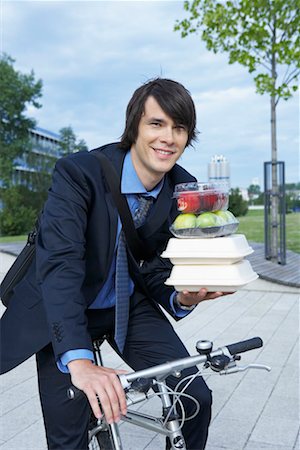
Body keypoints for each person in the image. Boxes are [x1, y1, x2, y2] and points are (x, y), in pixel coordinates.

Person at [1, 78, 229, 450]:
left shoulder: (183, 189)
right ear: (134, 127)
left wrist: (183, 298)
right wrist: (80, 363)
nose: (168, 137)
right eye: (157, 124)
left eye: (179, 127)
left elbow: (156, 266)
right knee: (68, 435)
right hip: (63, 305)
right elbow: (59, 265)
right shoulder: (79, 173)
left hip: (125, 304)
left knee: (194, 397)